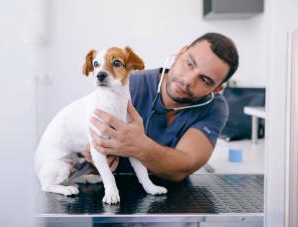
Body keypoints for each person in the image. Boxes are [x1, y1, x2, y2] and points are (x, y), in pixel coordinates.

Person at [85, 32, 239, 182]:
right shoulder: (129, 85)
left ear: (217, 89)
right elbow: (88, 134)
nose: (188, 80)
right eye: (190, 64)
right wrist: (92, 151)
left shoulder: (215, 108)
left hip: (176, 198)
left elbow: (184, 166)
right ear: (181, 53)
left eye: (205, 80)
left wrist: (140, 147)